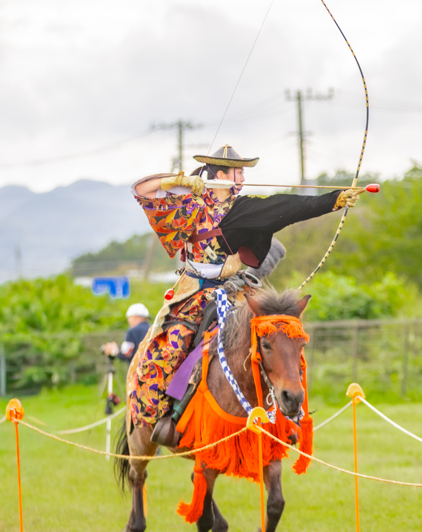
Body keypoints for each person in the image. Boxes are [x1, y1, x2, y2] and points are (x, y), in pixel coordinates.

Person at [126, 144, 363, 436]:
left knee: (274, 339)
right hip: (193, 293)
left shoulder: (243, 208)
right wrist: (177, 182)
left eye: (242, 172)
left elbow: (286, 207)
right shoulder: (188, 203)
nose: (241, 178)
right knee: (169, 346)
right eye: (236, 172)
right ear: (219, 174)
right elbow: (142, 190)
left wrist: (334, 200)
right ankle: (164, 417)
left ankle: (287, 413)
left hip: (234, 290)